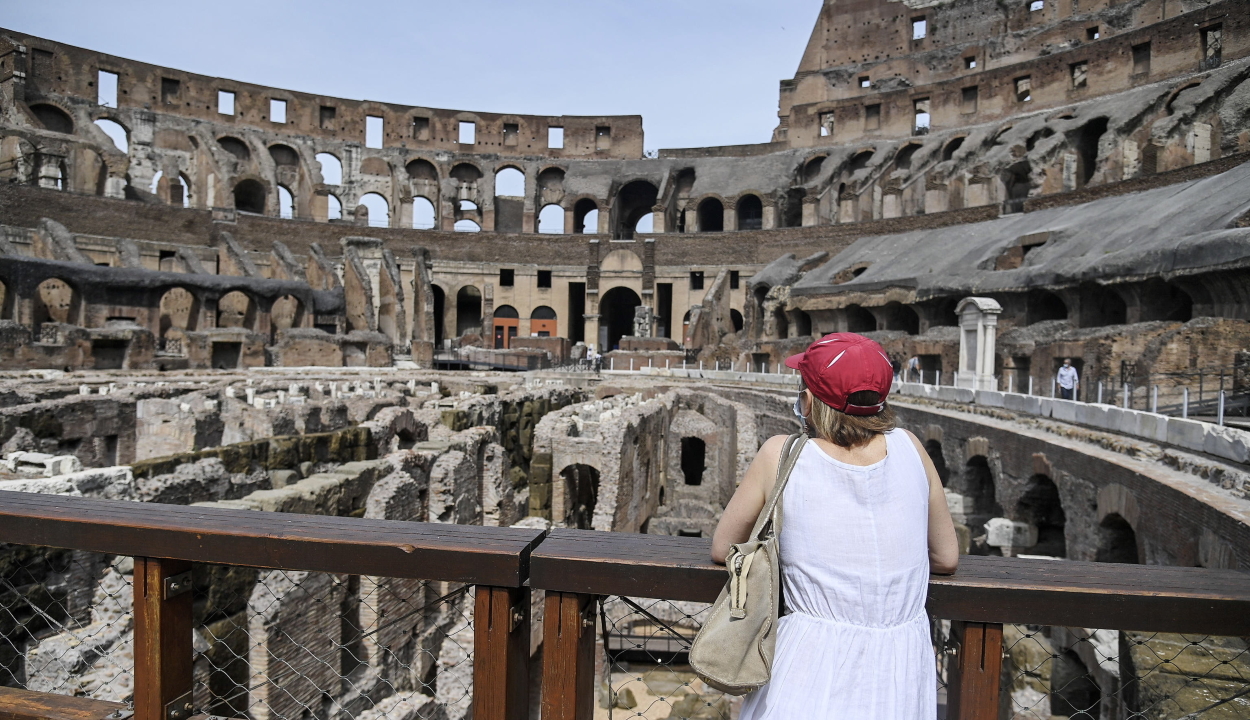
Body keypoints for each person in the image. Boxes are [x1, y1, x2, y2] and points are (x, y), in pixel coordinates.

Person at [711, 333, 959, 720]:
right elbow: (946, 556)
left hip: (808, 663)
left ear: (808, 400)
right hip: (899, 668)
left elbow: (723, 546)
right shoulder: (912, 447)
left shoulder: (782, 453)